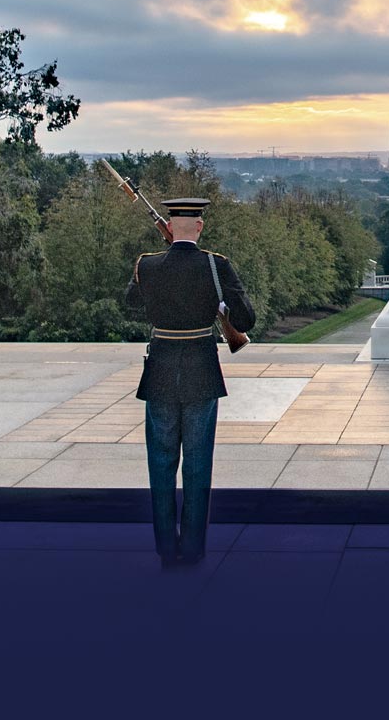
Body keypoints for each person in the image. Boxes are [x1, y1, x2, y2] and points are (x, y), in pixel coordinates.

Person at [124, 196, 256, 569]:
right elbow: (246, 320)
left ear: (169, 227)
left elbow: (132, 305)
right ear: (199, 226)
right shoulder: (216, 265)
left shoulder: (147, 265)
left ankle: (166, 549)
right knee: (198, 466)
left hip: (162, 369)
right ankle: (194, 548)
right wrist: (221, 306)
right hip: (200, 368)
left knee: (161, 464)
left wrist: (157, 274)